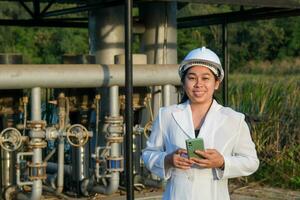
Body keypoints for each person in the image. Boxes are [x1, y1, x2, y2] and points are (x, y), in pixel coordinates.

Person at [142, 47, 259, 200]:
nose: (198, 84)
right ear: (183, 82)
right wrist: (168, 159)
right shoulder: (167, 115)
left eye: (205, 78)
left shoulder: (234, 119)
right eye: (192, 78)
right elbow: (148, 154)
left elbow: (251, 162)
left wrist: (222, 162)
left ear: (216, 83)